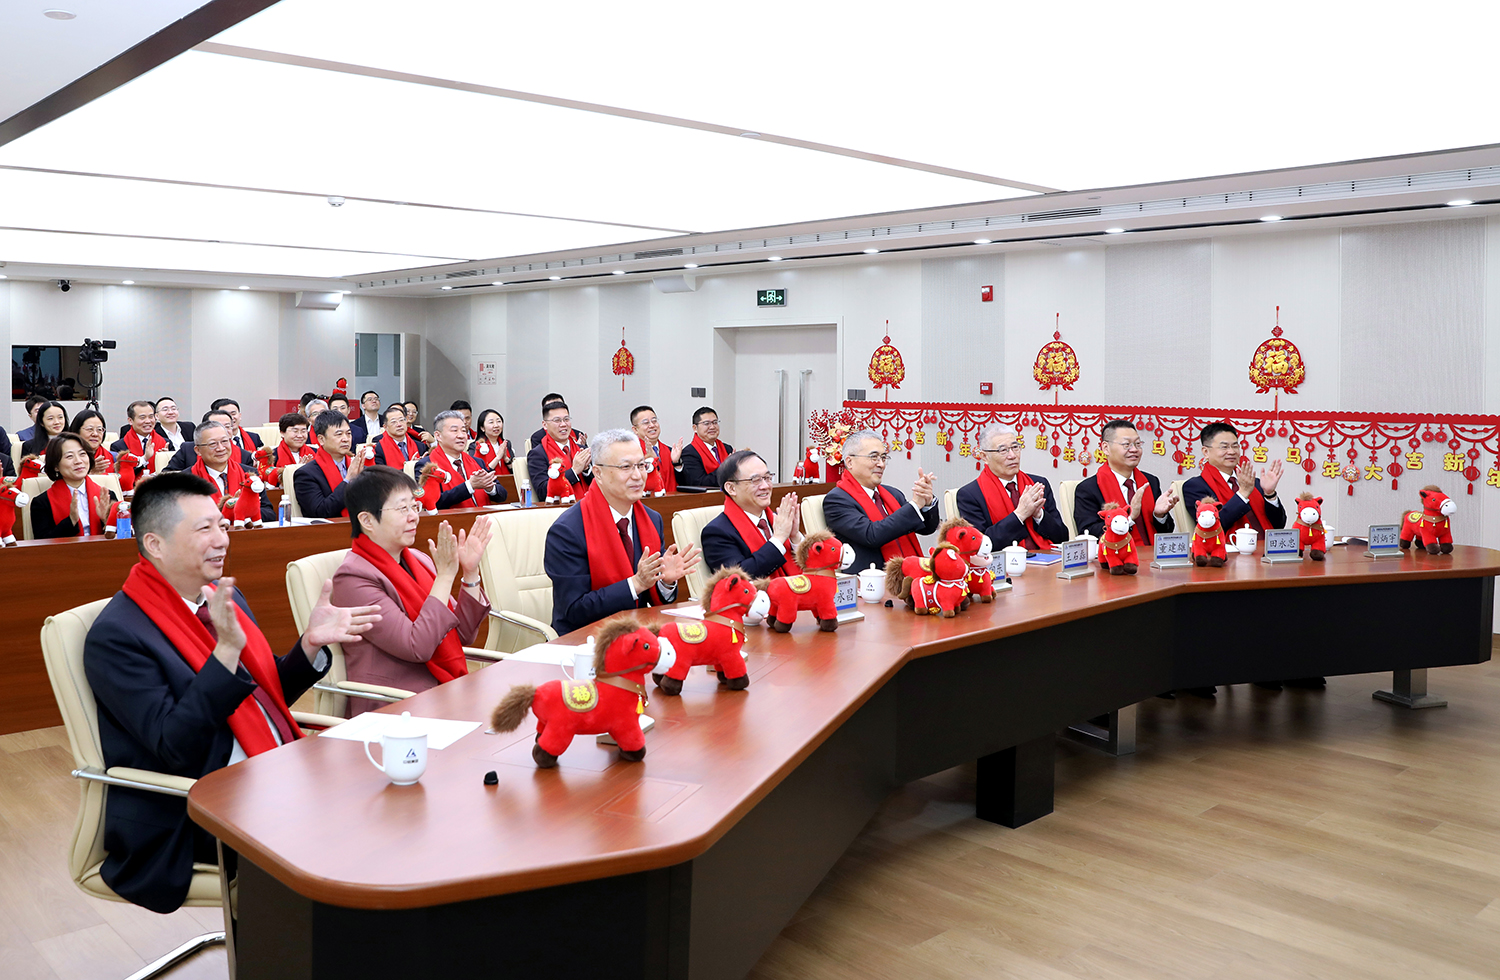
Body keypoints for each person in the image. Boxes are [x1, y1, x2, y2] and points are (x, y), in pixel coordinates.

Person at [82, 470, 380, 912]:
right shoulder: (118, 635)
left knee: (382, 799)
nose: (222, 539)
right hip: (195, 806)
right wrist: (224, 654)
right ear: (155, 544)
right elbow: (174, 747)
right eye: (204, 529)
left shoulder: (220, 599)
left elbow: (263, 697)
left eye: (222, 525)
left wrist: (310, 644)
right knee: (352, 838)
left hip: (269, 769)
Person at [331, 467, 493, 714]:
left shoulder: (418, 559)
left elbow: (463, 634)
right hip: (395, 704)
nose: (414, 517)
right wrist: (445, 576)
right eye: (402, 509)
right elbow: (417, 647)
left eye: (414, 507)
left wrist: (470, 573)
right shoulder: (353, 578)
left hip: (441, 689)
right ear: (367, 520)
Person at [544, 429, 700, 636]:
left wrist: (665, 582)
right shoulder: (567, 530)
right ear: (598, 473)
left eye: (641, 465)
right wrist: (636, 584)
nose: (637, 476)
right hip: (584, 640)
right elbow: (574, 610)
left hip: (638, 634)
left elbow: (654, 600)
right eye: (626, 467)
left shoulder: (652, 520)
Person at [824, 429, 941, 575]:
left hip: (908, 574)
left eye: (883, 457)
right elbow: (872, 535)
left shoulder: (892, 494)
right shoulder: (837, 500)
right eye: (874, 457)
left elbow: (927, 528)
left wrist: (926, 503)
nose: (881, 464)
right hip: (871, 577)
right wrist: (915, 505)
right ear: (850, 462)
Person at [955, 424, 1068, 552]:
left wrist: (1039, 515)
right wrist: (1020, 514)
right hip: (1004, 562)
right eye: (1003, 450)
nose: (1012, 455)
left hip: (1048, 559)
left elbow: (1063, 537)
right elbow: (979, 545)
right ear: (984, 457)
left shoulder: (1038, 484)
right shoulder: (970, 495)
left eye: (1015, 447)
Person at [701, 449, 802, 579]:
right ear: (731, 488)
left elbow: (814, 566)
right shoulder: (717, 532)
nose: (765, 486)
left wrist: (794, 537)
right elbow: (738, 578)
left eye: (767, 478)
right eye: (755, 480)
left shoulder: (777, 519)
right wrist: (779, 538)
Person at [1073, 419, 1179, 543]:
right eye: (1126, 444)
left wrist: (1159, 515)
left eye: (1138, 444)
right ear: (1106, 448)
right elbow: (1089, 533)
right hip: (1117, 554)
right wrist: (1129, 519)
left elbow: (1167, 532)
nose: (1134, 449)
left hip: (1151, 553)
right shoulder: (1089, 488)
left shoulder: (1150, 482)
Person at [1182, 422, 1286, 535]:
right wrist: (1243, 494)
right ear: (1206, 452)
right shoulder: (1195, 487)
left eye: (1235, 446)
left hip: (1267, 545)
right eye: (1224, 447)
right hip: (1228, 545)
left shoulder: (1253, 483)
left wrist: (1269, 494)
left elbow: (1279, 525)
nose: (1231, 452)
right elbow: (1211, 526)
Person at [29, 432, 121, 538]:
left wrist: (105, 520)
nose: (78, 461)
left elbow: (124, 537)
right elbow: (42, 543)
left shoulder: (107, 496)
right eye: (69, 456)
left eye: (82, 454)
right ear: (56, 466)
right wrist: (71, 521)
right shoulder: (42, 503)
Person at [187, 420, 273, 524]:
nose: (221, 448)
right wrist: (231, 511)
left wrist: (242, 511)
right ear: (198, 450)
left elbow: (269, 513)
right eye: (213, 444)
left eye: (224, 441)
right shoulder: (185, 480)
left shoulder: (249, 474)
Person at [418, 410, 505, 509]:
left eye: (463, 430)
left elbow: (502, 496)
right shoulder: (426, 465)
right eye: (454, 430)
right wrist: (469, 486)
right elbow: (431, 502)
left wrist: (490, 488)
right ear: (438, 436)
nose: (461, 435)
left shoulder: (477, 462)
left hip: (484, 516)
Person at [292, 410, 367, 518]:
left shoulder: (360, 468)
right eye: (339, 434)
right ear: (321, 439)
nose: (346, 439)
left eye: (348, 433)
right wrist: (348, 480)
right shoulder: (306, 474)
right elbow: (320, 511)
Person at [526, 400, 591, 500]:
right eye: (557, 420)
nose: (563, 424)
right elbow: (542, 491)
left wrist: (586, 470)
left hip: (589, 504)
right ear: (545, 425)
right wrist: (574, 471)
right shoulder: (537, 454)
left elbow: (600, 484)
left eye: (566, 419)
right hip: (560, 507)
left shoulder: (582, 450)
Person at [164, 410, 252, 473]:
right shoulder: (187, 450)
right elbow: (167, 475)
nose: (220, 448)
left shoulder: (245, 457)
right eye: (213, 444)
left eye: (227, 426)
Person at [677, 406, 734, 489]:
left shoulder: (727, 448)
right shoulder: (689, 453)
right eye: (706, 423)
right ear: (695, 428)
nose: (712, 427)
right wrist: (726, 468)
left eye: (715, 422)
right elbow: (699, 483)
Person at [254, 412, 317, 486]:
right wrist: (296, 469)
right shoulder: (271, 456)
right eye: (295, 431)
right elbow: (269, 481)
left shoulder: (316, 452)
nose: (300, 435)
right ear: (282, 433)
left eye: (303, 431)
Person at [110, 400, 169, 477]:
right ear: (130, 421)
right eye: (142, 418)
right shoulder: (119, 446)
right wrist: (145, 459)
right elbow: (121, 476)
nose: (148, 421)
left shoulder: (165, 443)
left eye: (151, 417)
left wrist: (166, 458)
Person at [630, 405, 679, 494]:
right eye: (646, 423)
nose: (652, 425)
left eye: (654, 421)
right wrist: (651, 461)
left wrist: (677, 463)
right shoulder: (632, 453)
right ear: (635, 429)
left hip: (673, 499)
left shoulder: (669, 451)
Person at [20, 400, 70, 476]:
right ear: (41, 422)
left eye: (60, 417)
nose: (57, 422)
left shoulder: (75, 443)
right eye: (50, 418)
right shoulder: (29, 446)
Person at [66, 409, 116, 475]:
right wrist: (91, 471)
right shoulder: (66, 457)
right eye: (90, 429)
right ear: (77, 431)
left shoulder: (114, 458)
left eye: (99, 430)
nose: (95, 434)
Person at [472, 409, 514, 475]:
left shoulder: (506, 444)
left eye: (499, 421)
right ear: (482, 428)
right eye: (491, 422)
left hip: (507, 480)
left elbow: (515, 472)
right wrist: (498, 458)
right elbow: (478, 473)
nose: (496, 425)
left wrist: (506, 459)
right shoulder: (476, 446)